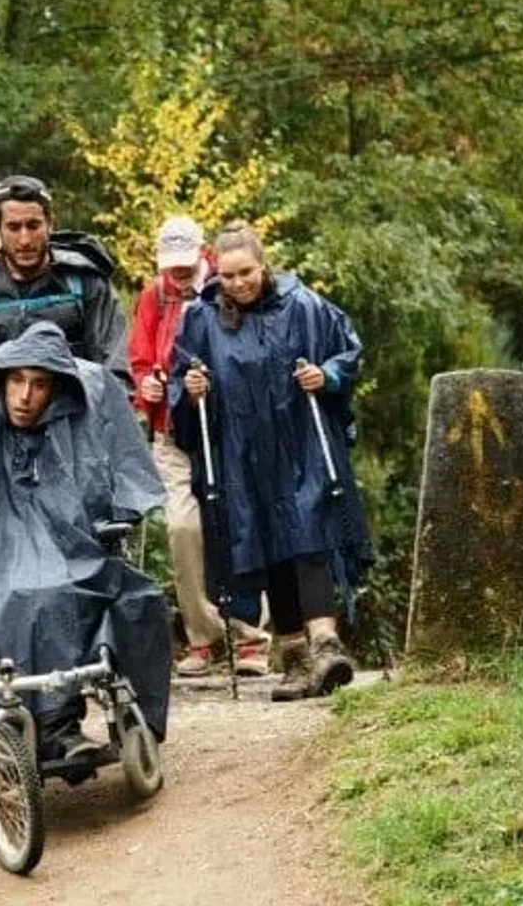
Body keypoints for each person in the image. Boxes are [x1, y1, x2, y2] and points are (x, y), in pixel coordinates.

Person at [0, 321, 172, 760]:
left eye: (39, 384)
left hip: (71, 552)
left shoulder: (81, 417)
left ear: (58, 390)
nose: (24, 397)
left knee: (54, 595)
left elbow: (123, 480)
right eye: (15, 381)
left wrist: (111, 521)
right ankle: (0, 723)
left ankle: (56, 724)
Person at [170, 220, 373, 701]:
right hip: (242, 451)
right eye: (229, 275)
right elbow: (183, 378)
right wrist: (193, 392)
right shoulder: (202, 319)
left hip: (299, 440)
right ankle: (295, 658)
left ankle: (325, 643)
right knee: (266, 546)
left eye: (247, 273)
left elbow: (348, 351)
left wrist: (327, 376)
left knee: (309, 534)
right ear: (215, 271)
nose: (239, 284)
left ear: (264, 265)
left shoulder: (303, 305)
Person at [128, 216, 271, 678]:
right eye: (171, 266)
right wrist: (146, 386)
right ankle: (204, 636)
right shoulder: (154, 296)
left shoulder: (227, 286)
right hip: (173, 431)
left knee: (237, 523)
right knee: (183, 527)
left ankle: (250, 636)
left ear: (203, 253)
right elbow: (140, 358)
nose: (180, 274)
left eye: (187, 265)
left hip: (228, 429)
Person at [0, 174, 131, 410]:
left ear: (50, 224)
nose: (25, 239)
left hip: (76, 431)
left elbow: (116, 372)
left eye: (33, 225)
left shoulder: (87, 283)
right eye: (14, 227)